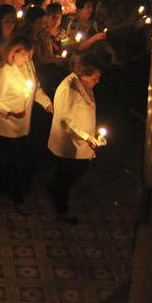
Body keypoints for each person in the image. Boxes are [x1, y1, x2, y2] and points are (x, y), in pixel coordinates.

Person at [0, 37, 52, 213]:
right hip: (6, 125)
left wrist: (47, 104)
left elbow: (36, 89)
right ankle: (12, 193)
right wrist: (10, 111)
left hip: (24, 124)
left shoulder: (29, 66)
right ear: (13, 54)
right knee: (9, 159)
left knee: (19, 159)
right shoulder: (4, 72)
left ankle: (14, 190)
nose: (28, 58)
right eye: (24, 54)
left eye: (29, 54)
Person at [47, 55, 107, 223]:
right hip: (68, 144)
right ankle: (61, 209)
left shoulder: (84, 84)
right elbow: (65, 120)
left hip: (80, 140)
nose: (97, 81)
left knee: (72, 172)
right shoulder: (69, 88)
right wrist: (87, 137)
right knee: (67, 176)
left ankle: (55, 191)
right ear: (84, 73)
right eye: (94, 77)